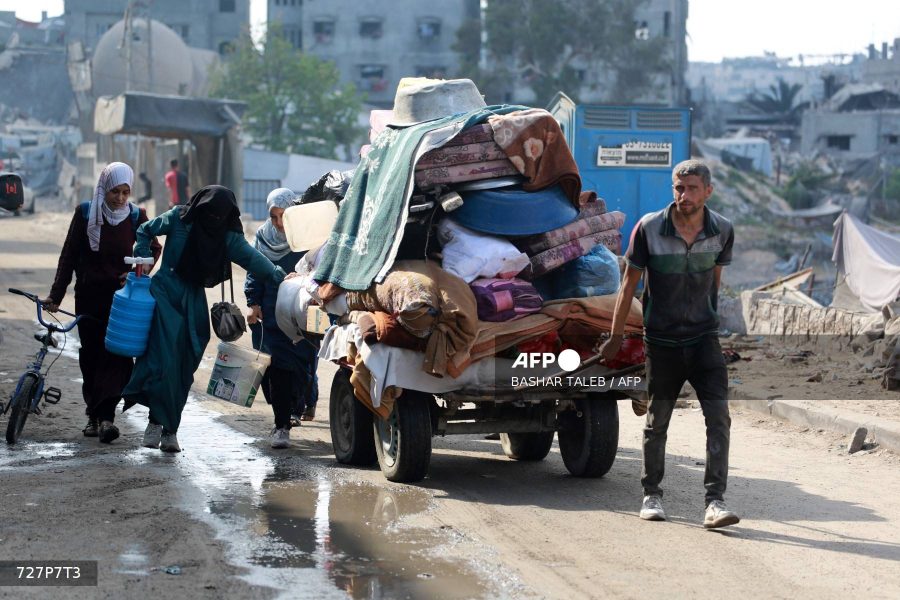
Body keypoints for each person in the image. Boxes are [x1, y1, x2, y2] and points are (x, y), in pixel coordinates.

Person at [600, 159, 739, 529]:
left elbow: (715, 280)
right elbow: (629, 285)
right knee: (657, 420)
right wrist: (615, 336)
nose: (684, 195)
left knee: (719, 417)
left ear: (708, 191)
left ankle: (714, 502)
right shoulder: (648, 229)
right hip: (661, 342)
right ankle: (652, 494)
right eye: (679, 188)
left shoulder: (722, 230)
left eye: (692, 188)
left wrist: (709, 318)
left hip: (704, 340)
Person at [123, 185, 287, 452]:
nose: (214, 219)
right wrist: (142, 261)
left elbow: (253, 259)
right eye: (209, 213)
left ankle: (169, 428)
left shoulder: (226, 236)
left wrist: (280, 276)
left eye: (220, 215)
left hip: (193, 300)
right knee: (163, 360)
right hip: (165, 292)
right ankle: (158, 424)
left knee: (186, 362)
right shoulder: (178, 218)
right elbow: (145, 230)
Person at [41, 162, 161, 443]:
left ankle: (107, 418)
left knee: (118, 356)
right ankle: (93, 416)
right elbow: (68, 256)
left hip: (122, 301)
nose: (119, 199)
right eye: (114, 192)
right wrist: (56, 296)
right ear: (104, 188)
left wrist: (134, 273)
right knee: (92, 356)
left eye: (125, 192)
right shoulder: (85, 214)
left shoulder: (136, 216)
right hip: (89, 297)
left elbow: (153, 248)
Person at [245, 188, 320, 448]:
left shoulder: (307, 237)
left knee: (302, 367)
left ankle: (296, 408)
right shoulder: (263, 238)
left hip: (300, 313)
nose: (278, 223)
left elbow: (318, 269)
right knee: (276, 369)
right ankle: (281, 425)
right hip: (271, 312)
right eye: (273, 216)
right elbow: (254, 271)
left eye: (283, 216)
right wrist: (253, 302)